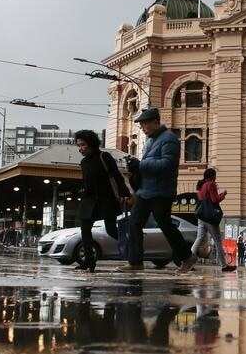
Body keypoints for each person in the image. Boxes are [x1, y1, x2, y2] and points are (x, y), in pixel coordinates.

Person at [122, 107, 197, 273]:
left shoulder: (168, 139)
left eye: (144, 124)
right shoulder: (150, 141)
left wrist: (140, 165)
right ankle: (135, 262)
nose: (142, 127)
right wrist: (136, 166)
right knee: (134, 223)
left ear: (156, 122)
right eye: (141, 124)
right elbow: (148, 165)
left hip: (162, 191)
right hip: (145, 191)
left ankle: (187, 257)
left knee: (165, 224)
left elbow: (168, 165)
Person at [74, 130, 131, 272]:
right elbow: (86, 182)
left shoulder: (104, 156)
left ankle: (132, 252)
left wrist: (125, 193)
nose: (80, 148)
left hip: (106, 200)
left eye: (83, 145)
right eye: (79, 145)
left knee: (111, 229)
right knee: (85, 230)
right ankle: (89, 261)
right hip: (89, 201)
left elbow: (117, 176)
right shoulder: (84, 162)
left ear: (91, 144)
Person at [191, 168, 236, 273]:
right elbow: (214, 200)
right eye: (215, 175)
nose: (216, 177)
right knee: (218, 241)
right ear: (212, 176)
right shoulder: (211, 184)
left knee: (199, 239)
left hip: (201, 216)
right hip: (210, 217)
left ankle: (188, 261)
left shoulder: (201, 185)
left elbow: (203, 199)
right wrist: (223, 194)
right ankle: (224, 265)